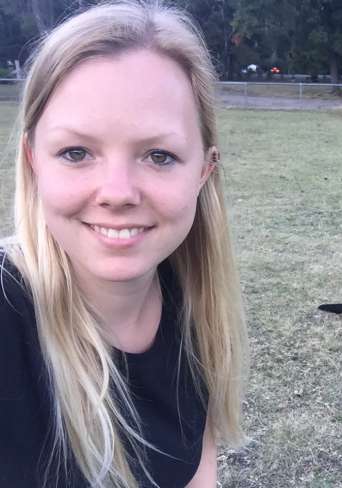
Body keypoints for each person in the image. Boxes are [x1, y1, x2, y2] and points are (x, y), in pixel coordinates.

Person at [0, 1, 248, 487]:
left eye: (159, 155)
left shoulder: (195, 298)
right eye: (76, 152)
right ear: (34, 161)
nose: (117, 192)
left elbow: (200, 467)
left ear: (204, 170)